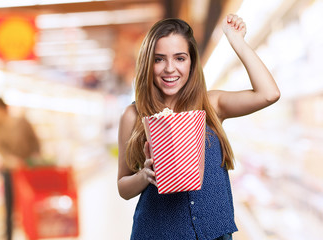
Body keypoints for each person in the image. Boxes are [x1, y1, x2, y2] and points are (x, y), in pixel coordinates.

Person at [117, 14, 280, 240]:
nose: (169, 68)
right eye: (159, 59)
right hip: (157, 233)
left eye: (180, 58)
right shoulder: (134, 115)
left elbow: (269, 94)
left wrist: (236, 41)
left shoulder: (211, 105)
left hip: (214, 233)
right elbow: (123, 187)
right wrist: (145, 175)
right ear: (148, 63)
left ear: (192, 62)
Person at [0, 97, 41, 240]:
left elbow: (35, 141)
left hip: (28, 169)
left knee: (29, 202)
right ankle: (9, 235)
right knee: (9, 205)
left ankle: (32, 232)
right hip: (10, 171)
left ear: (3, 108)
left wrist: (33, 158)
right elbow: (1, 149)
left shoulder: (21, 122)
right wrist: (11, 161)